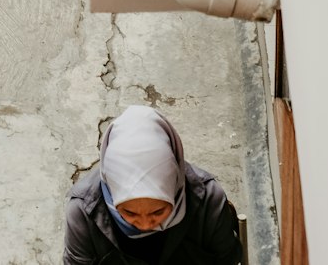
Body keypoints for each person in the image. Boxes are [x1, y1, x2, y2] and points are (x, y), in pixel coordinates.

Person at [64, 106, 242, 264]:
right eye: (129, 212)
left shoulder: (208, 200)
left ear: (174, 185)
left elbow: (226, 259)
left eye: (158, 212)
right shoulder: (83, 210)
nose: (144, 225)